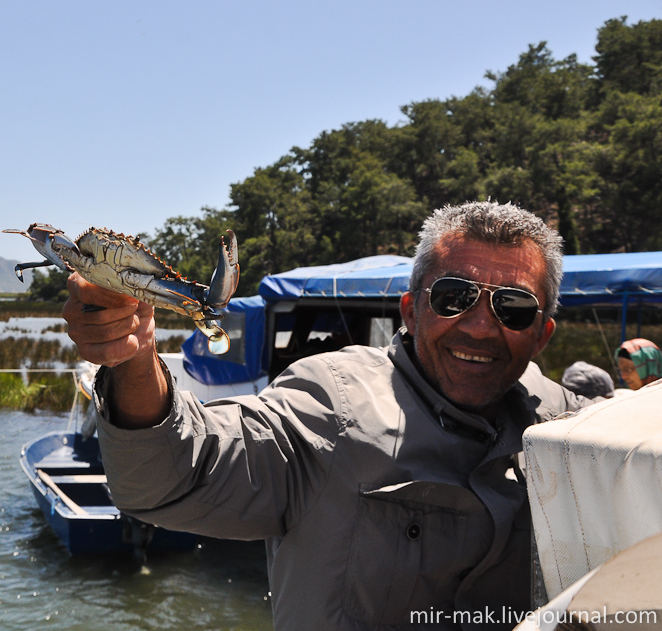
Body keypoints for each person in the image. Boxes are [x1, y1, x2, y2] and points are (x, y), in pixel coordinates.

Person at [62, 201, 591, 630]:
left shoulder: (570, 426)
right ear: (410, 310)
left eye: (513, 308)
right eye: (454, 297)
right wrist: (132, 355)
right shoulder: (328, 404)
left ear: (541, 333)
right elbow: (174, 476)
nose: (478, 327)